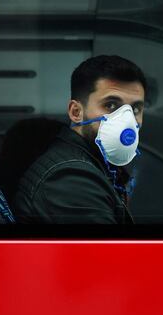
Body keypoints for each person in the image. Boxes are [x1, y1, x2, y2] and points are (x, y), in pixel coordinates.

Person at [14, 55, 146, 224]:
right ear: (76, 112)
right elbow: (109, 251)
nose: (127, 121)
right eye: (111, 105)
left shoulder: (90, 165)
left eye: (135, 109)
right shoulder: (71, 180)